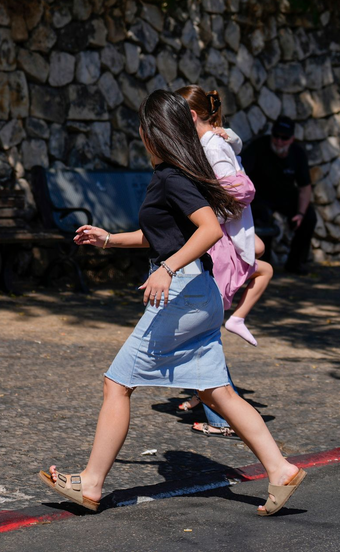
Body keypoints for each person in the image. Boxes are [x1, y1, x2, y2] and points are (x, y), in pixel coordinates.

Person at [38, 90, 306, 517]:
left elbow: (208, 231)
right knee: (217, 392)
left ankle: (91, 483)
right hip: (201, 292)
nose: (139, 133)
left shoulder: (172, 176)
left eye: (142, 126)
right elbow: (163, 235)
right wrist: (109, 239)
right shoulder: (178, 173)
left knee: (116, 384)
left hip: (183, 293)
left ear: (154, 132)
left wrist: (166, 268)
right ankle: (280, 469)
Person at [174, 84, 273, 439]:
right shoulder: (210, 143)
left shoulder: (212, 146)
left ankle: (220, 415)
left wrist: (206, 216)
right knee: (203, 332)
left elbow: (240, 191)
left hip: (219, 246)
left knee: (203, 334)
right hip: (221, 242)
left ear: (191, 116)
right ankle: (210, 403)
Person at [242, 116, 316, 275]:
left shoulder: (298, 154)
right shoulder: (258, 147)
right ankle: (262, 265)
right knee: (263, 218)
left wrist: (300, 213)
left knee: (309, 217)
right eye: (276, 136)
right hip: (260, 197)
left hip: (286, 197)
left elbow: (305, 187)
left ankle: (296, 263)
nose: (279, 141)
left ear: (292, 139)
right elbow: (241, 173)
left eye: (284, 138)